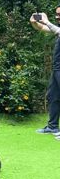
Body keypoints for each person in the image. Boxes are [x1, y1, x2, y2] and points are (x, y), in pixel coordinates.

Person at [30, 7, 60, 137]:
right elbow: (43, 28)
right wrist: (34, 23)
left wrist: (47, 21)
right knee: (53, 96)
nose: (57, 17)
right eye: (57, 14)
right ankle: (53, 127)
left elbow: (56, 30)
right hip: (57, 69)